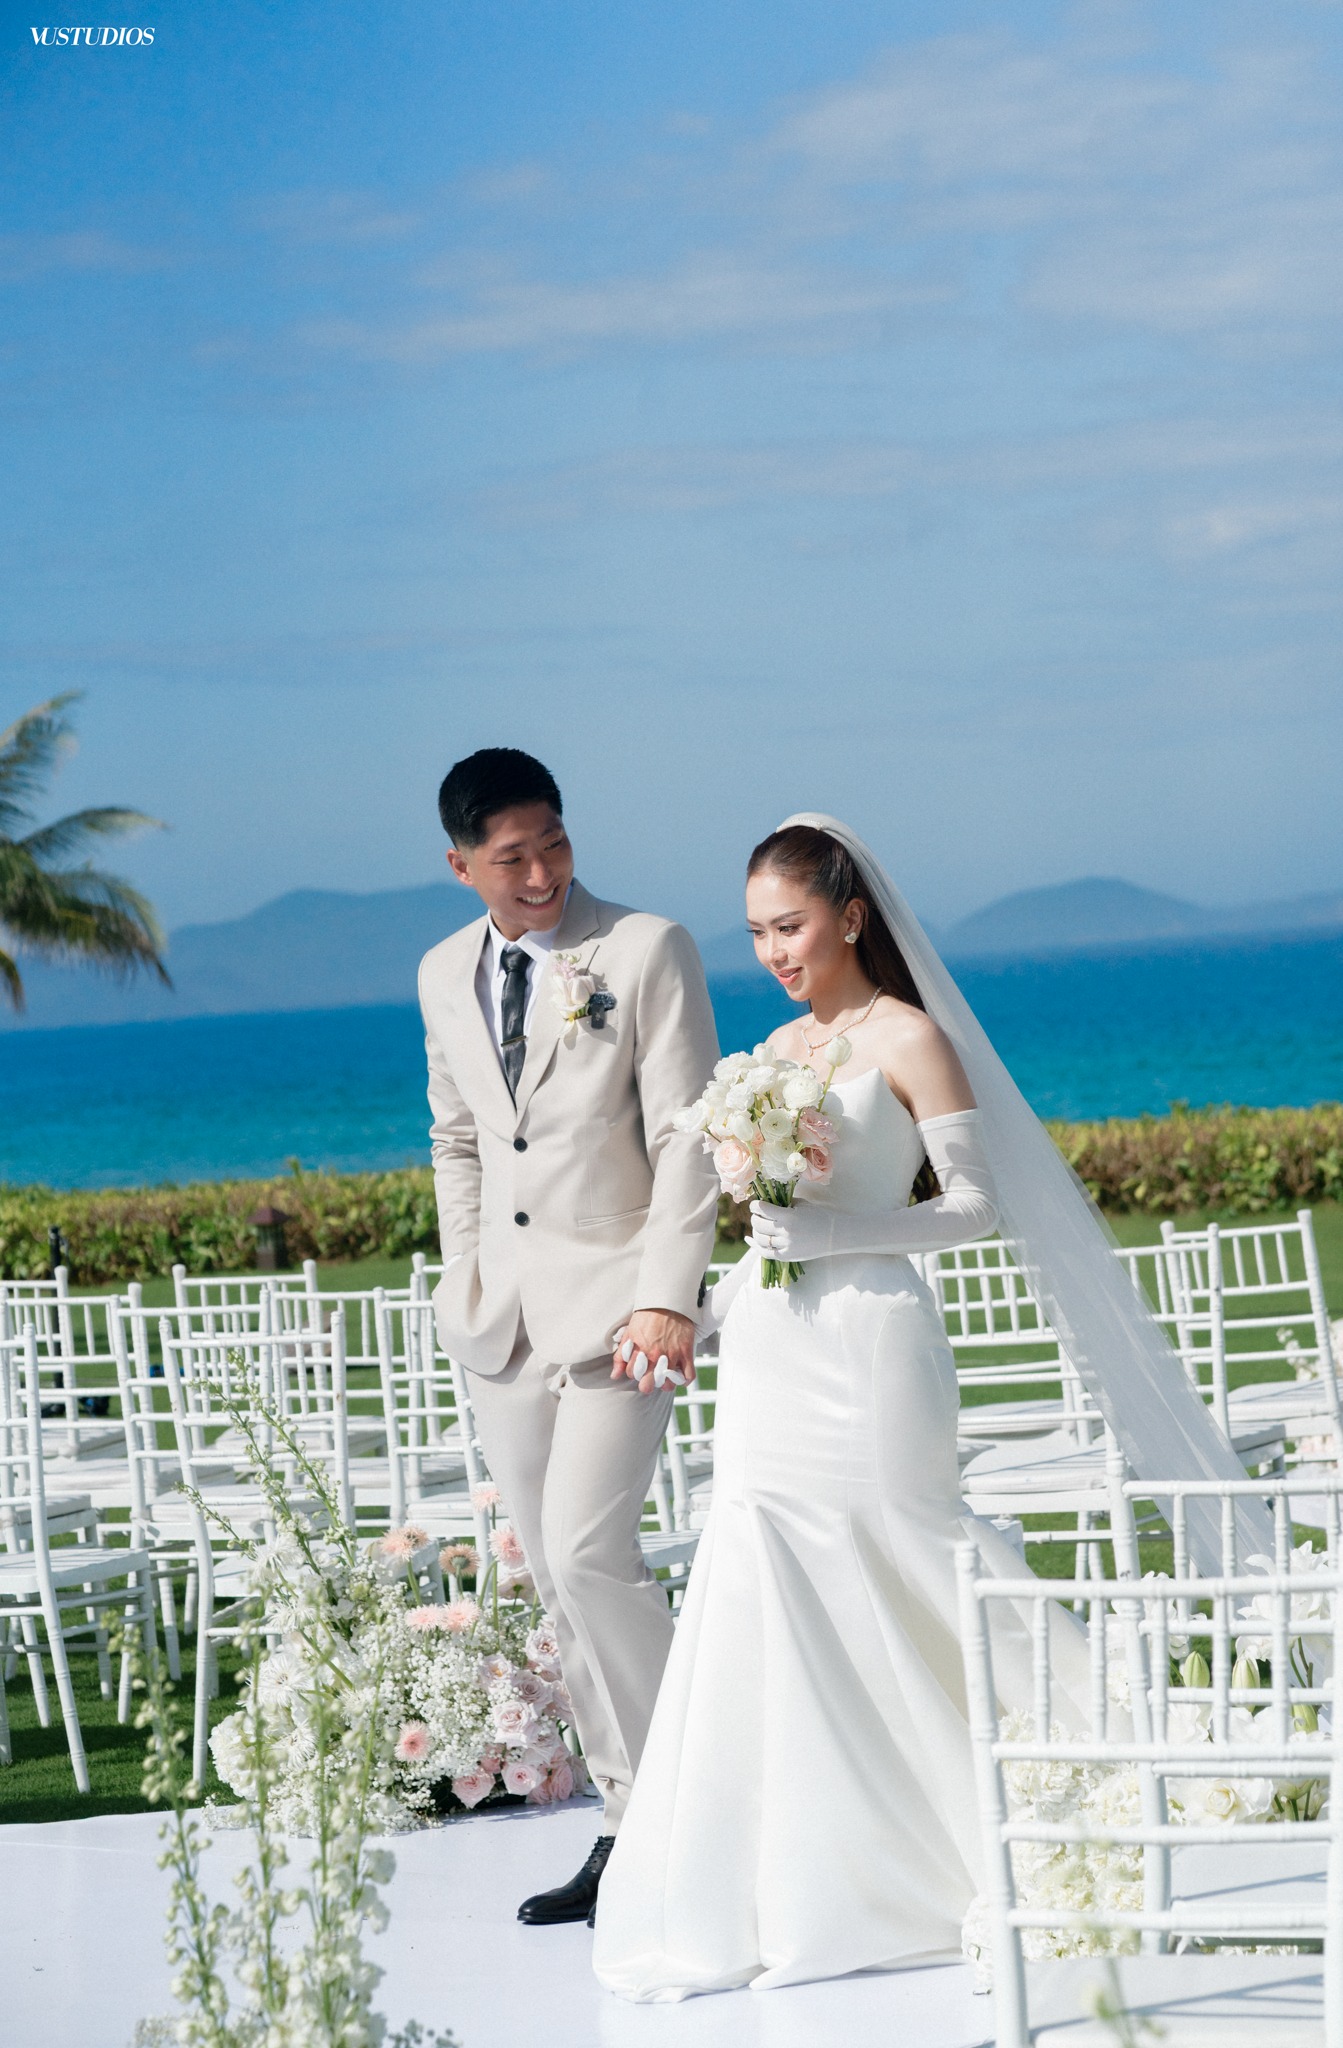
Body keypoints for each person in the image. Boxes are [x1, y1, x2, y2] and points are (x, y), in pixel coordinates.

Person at [593, 811, 1250, 2001]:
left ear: (849, 915)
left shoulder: (910, 1036)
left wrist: (842, 1234)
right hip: (774, 1356)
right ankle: (801, 1878)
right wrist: (693, 1313)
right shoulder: (773, 1051)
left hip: (872, 1342)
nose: (773, 951)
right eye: (755, 932)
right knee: (765, 1571)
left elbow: (973, 1205)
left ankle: (1072, 1769)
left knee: (905, 1549)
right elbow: (770, 1237)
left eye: (789, 925)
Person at [419, 747, 719, 1927]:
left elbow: (686, 1132)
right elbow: (456, 1135)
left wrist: (667, 1292)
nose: (540, 871)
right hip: (500, 1324)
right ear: (461, 865)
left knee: (593, 1554)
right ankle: (628, 1821)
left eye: (553, 842)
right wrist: (465, 1270)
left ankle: (699, 1798)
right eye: (511, 856)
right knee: (551, 1574)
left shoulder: (643, 948)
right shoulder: (440, 972)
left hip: (620, 1311)